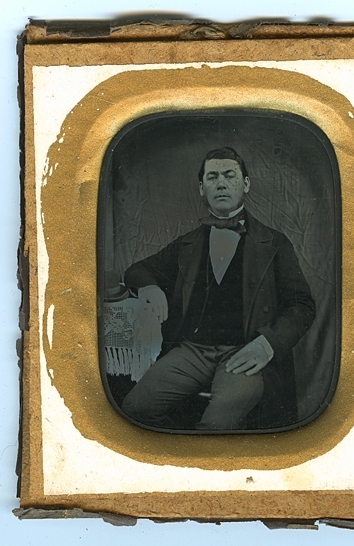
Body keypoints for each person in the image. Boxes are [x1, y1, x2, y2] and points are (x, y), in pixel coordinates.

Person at [122, 147, 315, 431]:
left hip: (244, 352)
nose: (221, 183)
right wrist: (149, 287)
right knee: (134, 409)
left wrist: (268, 344)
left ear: (245, 184)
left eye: (229, 175)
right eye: (212, 177)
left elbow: (302, 306)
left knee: (216, 427)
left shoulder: (275, 243)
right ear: (202, 189)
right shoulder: (187, 244)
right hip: (192, 351)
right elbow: (137, 270)